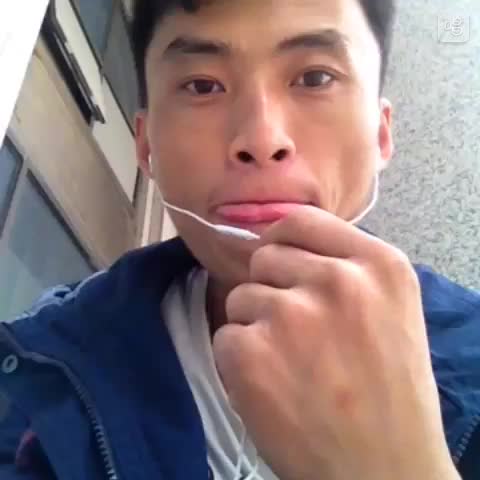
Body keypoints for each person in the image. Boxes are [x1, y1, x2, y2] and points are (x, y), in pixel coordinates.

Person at [0, 0, 479, 478]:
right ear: (146, 148)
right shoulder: (42, 374)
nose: (262, 139)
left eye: (314, 78)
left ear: (381, 134)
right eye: (202, 86)